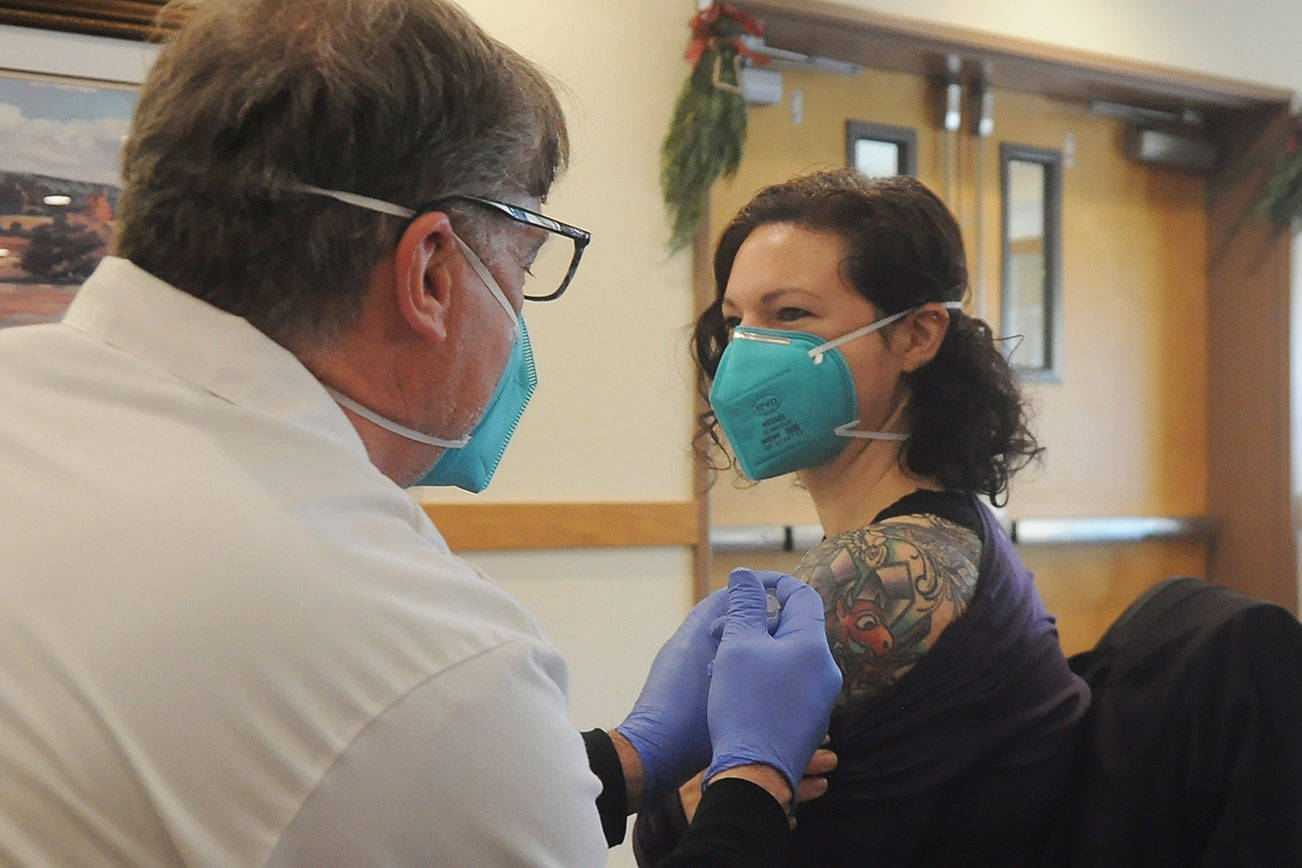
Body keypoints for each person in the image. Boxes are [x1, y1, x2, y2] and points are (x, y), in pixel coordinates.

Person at [0, 1, 842, 865]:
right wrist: (751, 785)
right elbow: (393, 762)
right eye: (523, 263)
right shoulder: (425, 669)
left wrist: (621, 762)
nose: (518, 311)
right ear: (432, 273)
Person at [634, 170, 1092, 866]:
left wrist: (672, 801)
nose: (747, 352)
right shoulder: (948, 534)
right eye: (736, 321)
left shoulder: (877, 571)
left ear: (916, 335)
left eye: (790, 316)